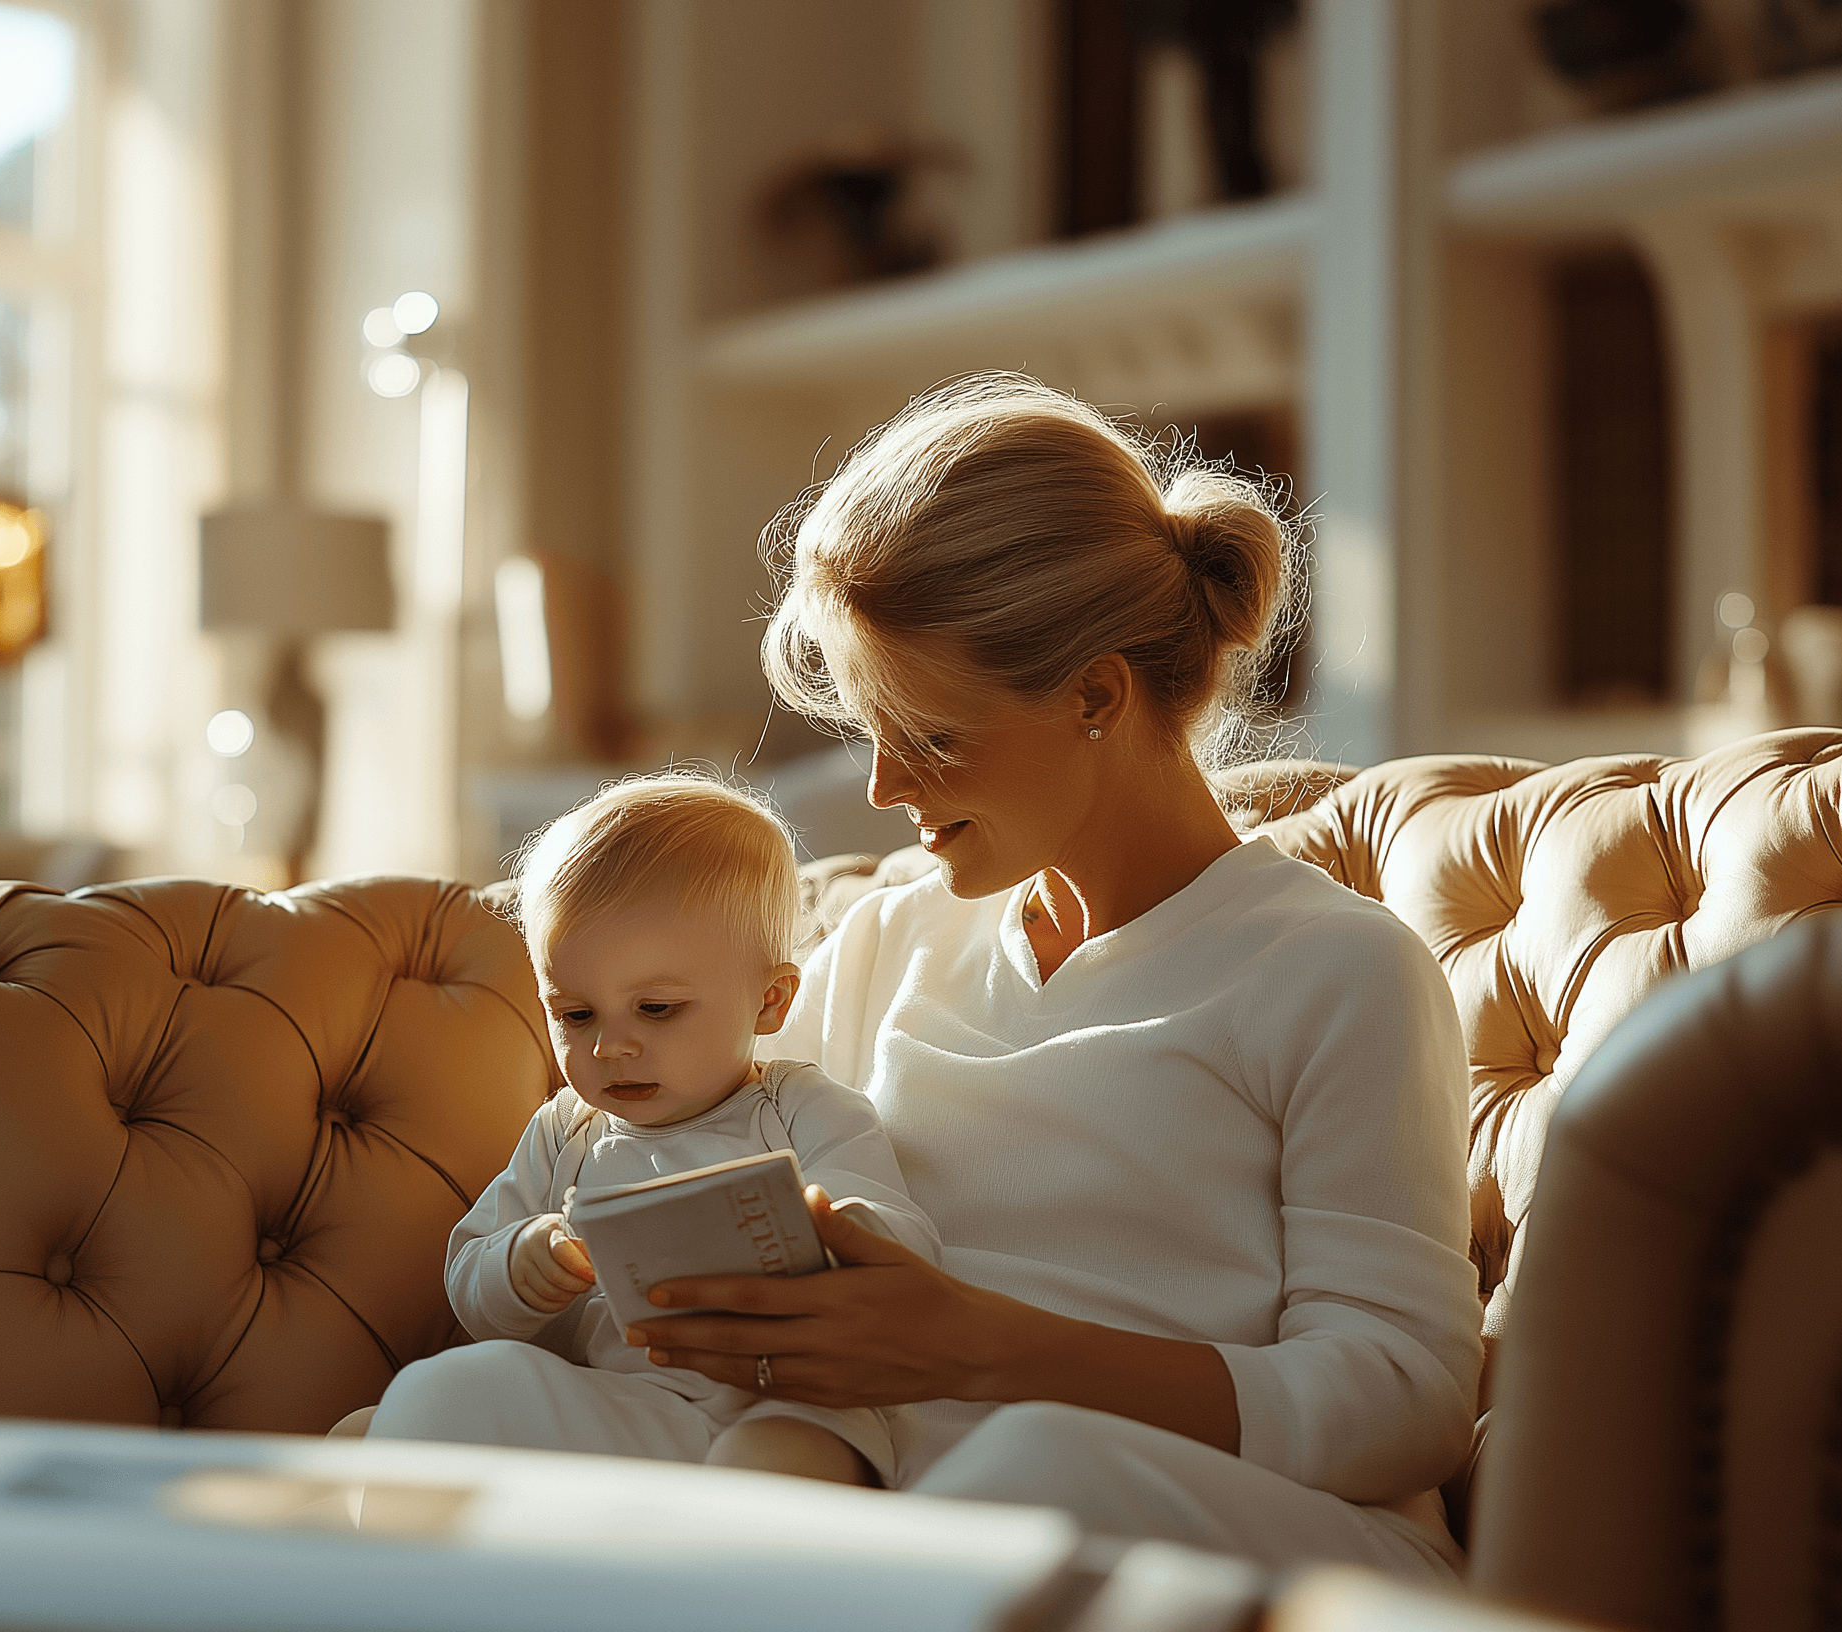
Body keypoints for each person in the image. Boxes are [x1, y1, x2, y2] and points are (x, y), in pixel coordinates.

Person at [372, 375, 1481, 1581]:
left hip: (1213, 1520)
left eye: (933, 736)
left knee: (1028, 1479)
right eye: (870, 731)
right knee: (461, 1404)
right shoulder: (889, 941)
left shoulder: (1336, 970)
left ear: (1095, 697)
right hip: (886, 1490)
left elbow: (1402, 1398)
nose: (883, 789)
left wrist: (984, 1352)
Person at [363, 773, 940, 1488]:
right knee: (454, 1387)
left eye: (657, 1009)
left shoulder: (802, 1106)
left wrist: (840, 1230)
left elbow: (906, 1247)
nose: (609, 1047)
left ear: (770, 1001)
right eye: (575, 1015)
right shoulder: (565, 1132)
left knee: (778, 1466)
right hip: (622, 1408)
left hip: (788, 1404)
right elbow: (470, 1283)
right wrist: (520, 1262)